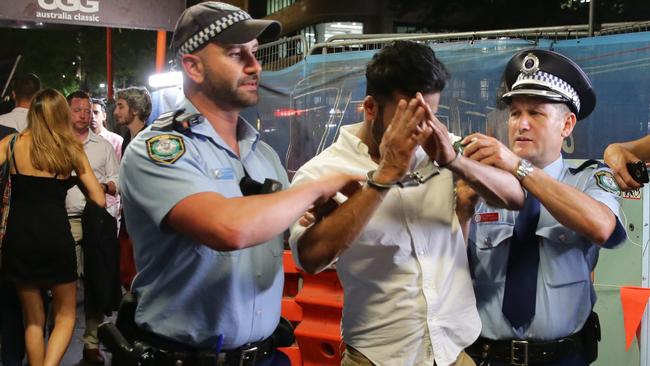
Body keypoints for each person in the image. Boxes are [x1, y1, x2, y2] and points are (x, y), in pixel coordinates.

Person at [117, 2, 360, 365]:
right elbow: (227, 228)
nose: (254, 66)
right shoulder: (160, 149)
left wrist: (354, 203)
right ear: (193, 66)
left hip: (263, 355)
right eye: (235, 54)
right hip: (183, 357)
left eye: (255, 53)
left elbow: (307, 257)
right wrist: (314, 188)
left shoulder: (263, 155)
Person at [288, 41, 525, 366]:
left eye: (430, 114)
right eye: (409, 117)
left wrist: (456, 160)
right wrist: (385, 175)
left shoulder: (444, 148)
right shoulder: (322, 172)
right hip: (377, 358)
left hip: (454, 354)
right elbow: (308, 259)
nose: (423, 128)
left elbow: (515, 196)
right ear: (370, 108)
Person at [463, 49, 627, 366]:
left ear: (566, 125)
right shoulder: (482, 183)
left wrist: (520, 169)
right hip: (485, 357)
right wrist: (462, 203)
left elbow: (603, 227)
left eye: (536, 113)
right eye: (514, 113)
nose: (521, 124)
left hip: (562, 358)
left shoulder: (589, 178)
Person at [1, 88, 105, 366]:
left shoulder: (11, 144)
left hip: (19, 237)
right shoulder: (71, 149)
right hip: (56, 236)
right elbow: (99, 198)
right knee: (66, 314)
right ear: (62, 114)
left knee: (33, 319)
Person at [66, 91, 120, 365]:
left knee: (96, 283)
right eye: (78, 110)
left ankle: (90, 343)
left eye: (87, 110)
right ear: (67, 112)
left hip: (96, 221)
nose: (84, 115)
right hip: (64, 222)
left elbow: (116, 179)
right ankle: (58, 336)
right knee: (64, 283)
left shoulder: (103, 145)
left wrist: (104, 186)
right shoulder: (57, 143)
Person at [113, 86, 151, 156]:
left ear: (135, 109)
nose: (115, 112)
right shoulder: (127, 137)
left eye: (121, 107)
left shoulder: (148, 140)